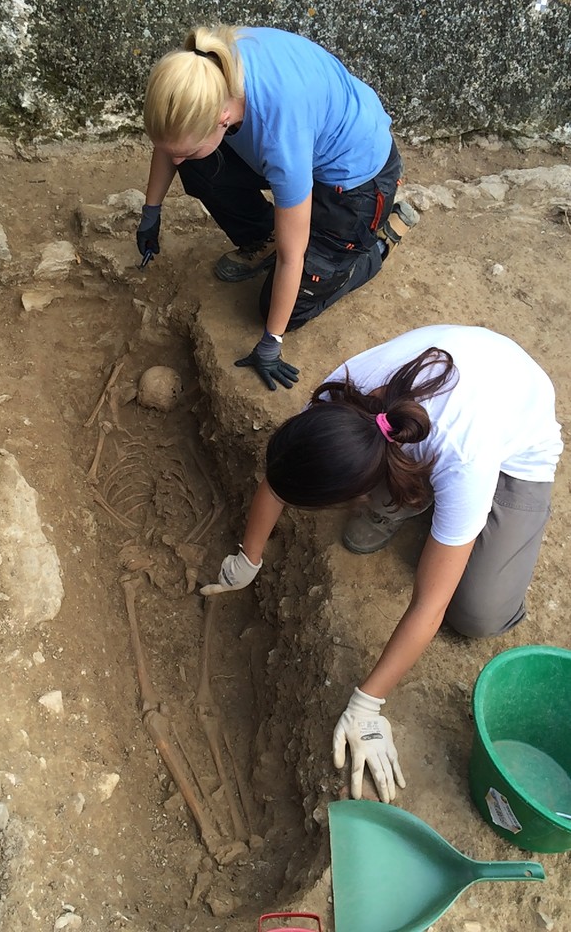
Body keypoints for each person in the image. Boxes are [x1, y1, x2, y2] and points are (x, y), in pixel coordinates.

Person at [200, 325, 563, 803]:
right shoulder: (336, 402)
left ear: (359, 491)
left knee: (475, 613)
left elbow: (428, 607)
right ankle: (416, 498)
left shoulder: (466, 458)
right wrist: (248, 558)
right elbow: (281, 479)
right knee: (432, 513)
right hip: (456, 392)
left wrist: (367, 705)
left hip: (515, 437)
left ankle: (441, 509)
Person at [137, 25, 419, 393]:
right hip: (308, 146)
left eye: (184, 148)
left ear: (222, 119)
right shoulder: (203, 72)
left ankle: (377, 243)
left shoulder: (280, 135)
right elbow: (171, 141)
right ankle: (262, 236)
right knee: (197, 163)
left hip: (357, 183)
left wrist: (272, 342)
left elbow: (292, 255)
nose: (173, 159)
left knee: (282, 308)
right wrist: (151, 211)